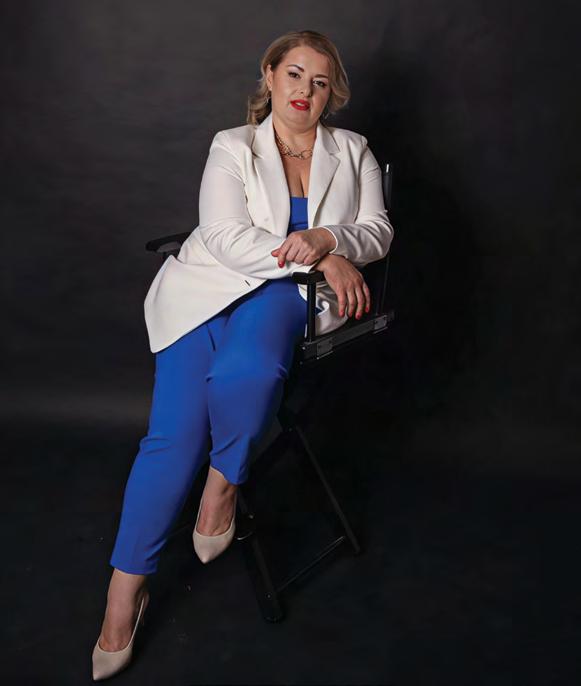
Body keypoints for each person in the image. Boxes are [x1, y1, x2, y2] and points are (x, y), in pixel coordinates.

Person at [91, 29, 394, 681]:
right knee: (171, 439)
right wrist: (320, 257)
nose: (305, 90)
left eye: (319, 81)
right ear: (271, 75)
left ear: (331, 94)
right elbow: (225, 238)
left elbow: (378, 231)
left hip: (283, 295)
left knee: (245, 371)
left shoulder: (354, 151)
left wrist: (328, 238)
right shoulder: (232, 145)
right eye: (294, 74)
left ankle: (223, 483)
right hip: (206, 288)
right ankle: (124, 592)